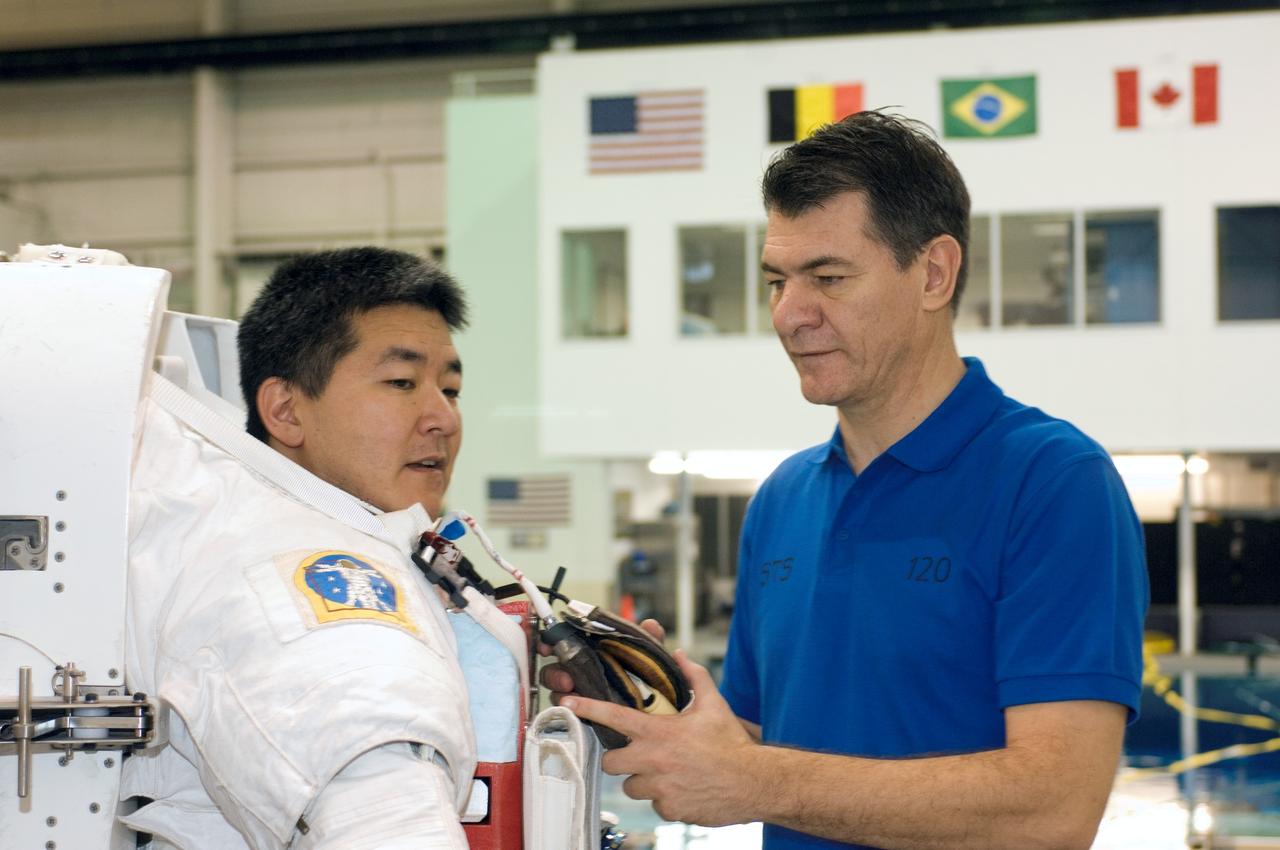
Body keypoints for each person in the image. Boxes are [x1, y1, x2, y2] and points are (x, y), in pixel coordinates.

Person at [555, 112, 1149, 850]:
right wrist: (637, 702)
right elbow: (750, 737)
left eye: (827, 278)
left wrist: (756, 781)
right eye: (777, 280)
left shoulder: (1053, 482)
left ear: (934, 273)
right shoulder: (783, 498)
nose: (790, 315)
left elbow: (1054, 808)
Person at [121, 247, 477, 850]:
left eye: (451, 388)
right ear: (285, 410)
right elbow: (386, 823)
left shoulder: (263, 527)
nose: (442, 417)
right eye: (401, 382)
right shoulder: (306, 578)